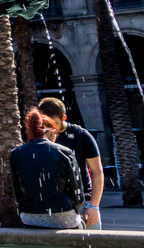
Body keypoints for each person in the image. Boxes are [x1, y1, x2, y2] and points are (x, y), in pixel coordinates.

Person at [9, 109, 87, 229]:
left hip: (30, 217)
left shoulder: (17, 153)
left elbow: (16, 190)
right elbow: (76, 188)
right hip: (63, 215)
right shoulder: (64, 152)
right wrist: (78, 208)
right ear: (51, 132)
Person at [38, 97, 103, 230]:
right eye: (46, 124)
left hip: (82, 200)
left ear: (64, 118)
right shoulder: (39, 137)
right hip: (51, 202)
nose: (50, 129)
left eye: (54, 123)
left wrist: (94, 206)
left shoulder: (81, 135)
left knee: (94, 244)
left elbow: (97, 171)